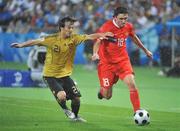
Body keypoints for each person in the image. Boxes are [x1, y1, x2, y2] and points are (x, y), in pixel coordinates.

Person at [11, 16, 113, 122]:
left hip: (64, 75)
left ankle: (75, 117)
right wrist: (21, 44)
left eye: (72, 28)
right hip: (50, 75)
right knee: (62, 96)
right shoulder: (51, 39)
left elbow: (90, 36)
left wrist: (103, 34)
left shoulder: (74, 38)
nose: (71, 30)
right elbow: (36, 41)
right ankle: (65, 109)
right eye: (69, 27)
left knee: (77, 100)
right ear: (61, 28)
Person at [92, 6, 153, 113]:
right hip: (107, 64)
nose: (124, 21)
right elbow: (98, 42)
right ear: (114, 18)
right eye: (121, 19)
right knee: (107, 96)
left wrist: (146, 50)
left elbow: (134, 37)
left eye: (126, 19)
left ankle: (137, 112)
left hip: (122, 62)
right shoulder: (106, 28)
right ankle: (102, 91)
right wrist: (95, 53)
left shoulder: (128, 27)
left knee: (132, 84)